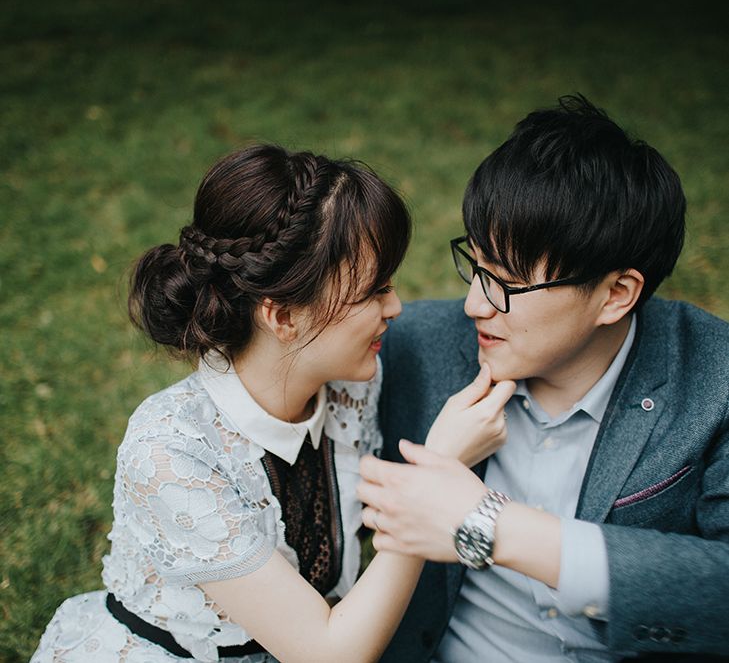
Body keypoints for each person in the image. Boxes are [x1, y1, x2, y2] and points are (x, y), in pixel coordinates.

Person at [30, 145, 511, 663]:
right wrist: (431, 479)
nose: (395, 308)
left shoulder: (352, 384)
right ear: (282, 317)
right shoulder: (171, 452)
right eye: (374, 291)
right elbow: (330, 654)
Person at [357, 95, 729, 662]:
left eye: (505, 283)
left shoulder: (715, 379)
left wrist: (489, 526)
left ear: (615, 295)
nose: (474, 305)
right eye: (476, 266)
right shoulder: (411, 349)